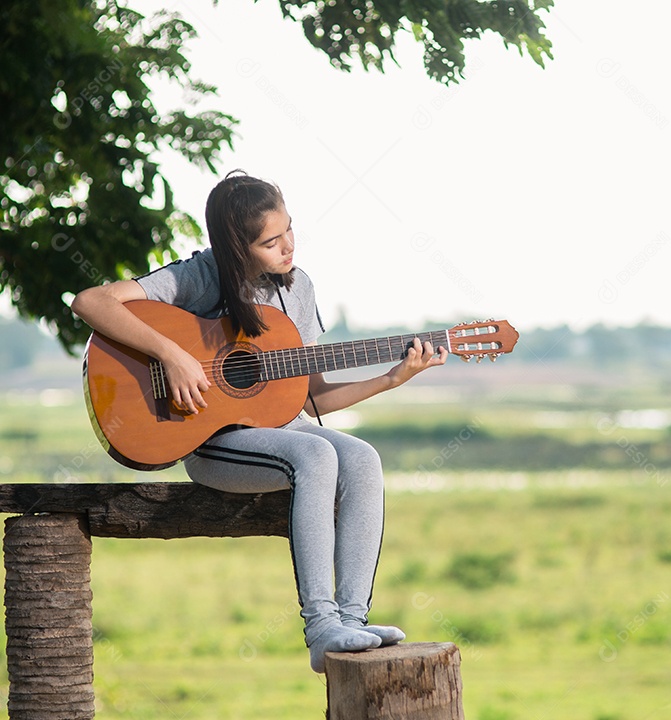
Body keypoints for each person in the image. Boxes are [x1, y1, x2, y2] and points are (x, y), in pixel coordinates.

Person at [71, 170, 447, 673]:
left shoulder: (299, 288)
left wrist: (392, 379)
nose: (288, 246)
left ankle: (351, 621)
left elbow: (311, 397)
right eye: (271, 241)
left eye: (289, 229)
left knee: (360, 456)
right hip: (210, 443)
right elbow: (89, 301)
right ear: (236, 246)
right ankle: (320, 626)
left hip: (281, 434)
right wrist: (173, 355)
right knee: (315, 452)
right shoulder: (199, 277)